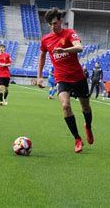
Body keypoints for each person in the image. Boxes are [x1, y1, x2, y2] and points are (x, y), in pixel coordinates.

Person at [37, 8, 93, 153]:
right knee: (65, 106)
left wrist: (64, 50)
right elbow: (42, 56)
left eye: (55, 23)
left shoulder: (69, 33)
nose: (52, 26)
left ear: (61, 21)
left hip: (78, 76)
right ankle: (77, 139)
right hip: (62, 78)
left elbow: (79, 47)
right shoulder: (45, 40)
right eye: (50, 24)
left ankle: (87, 126)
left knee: (85, 107)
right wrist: (39, 77)